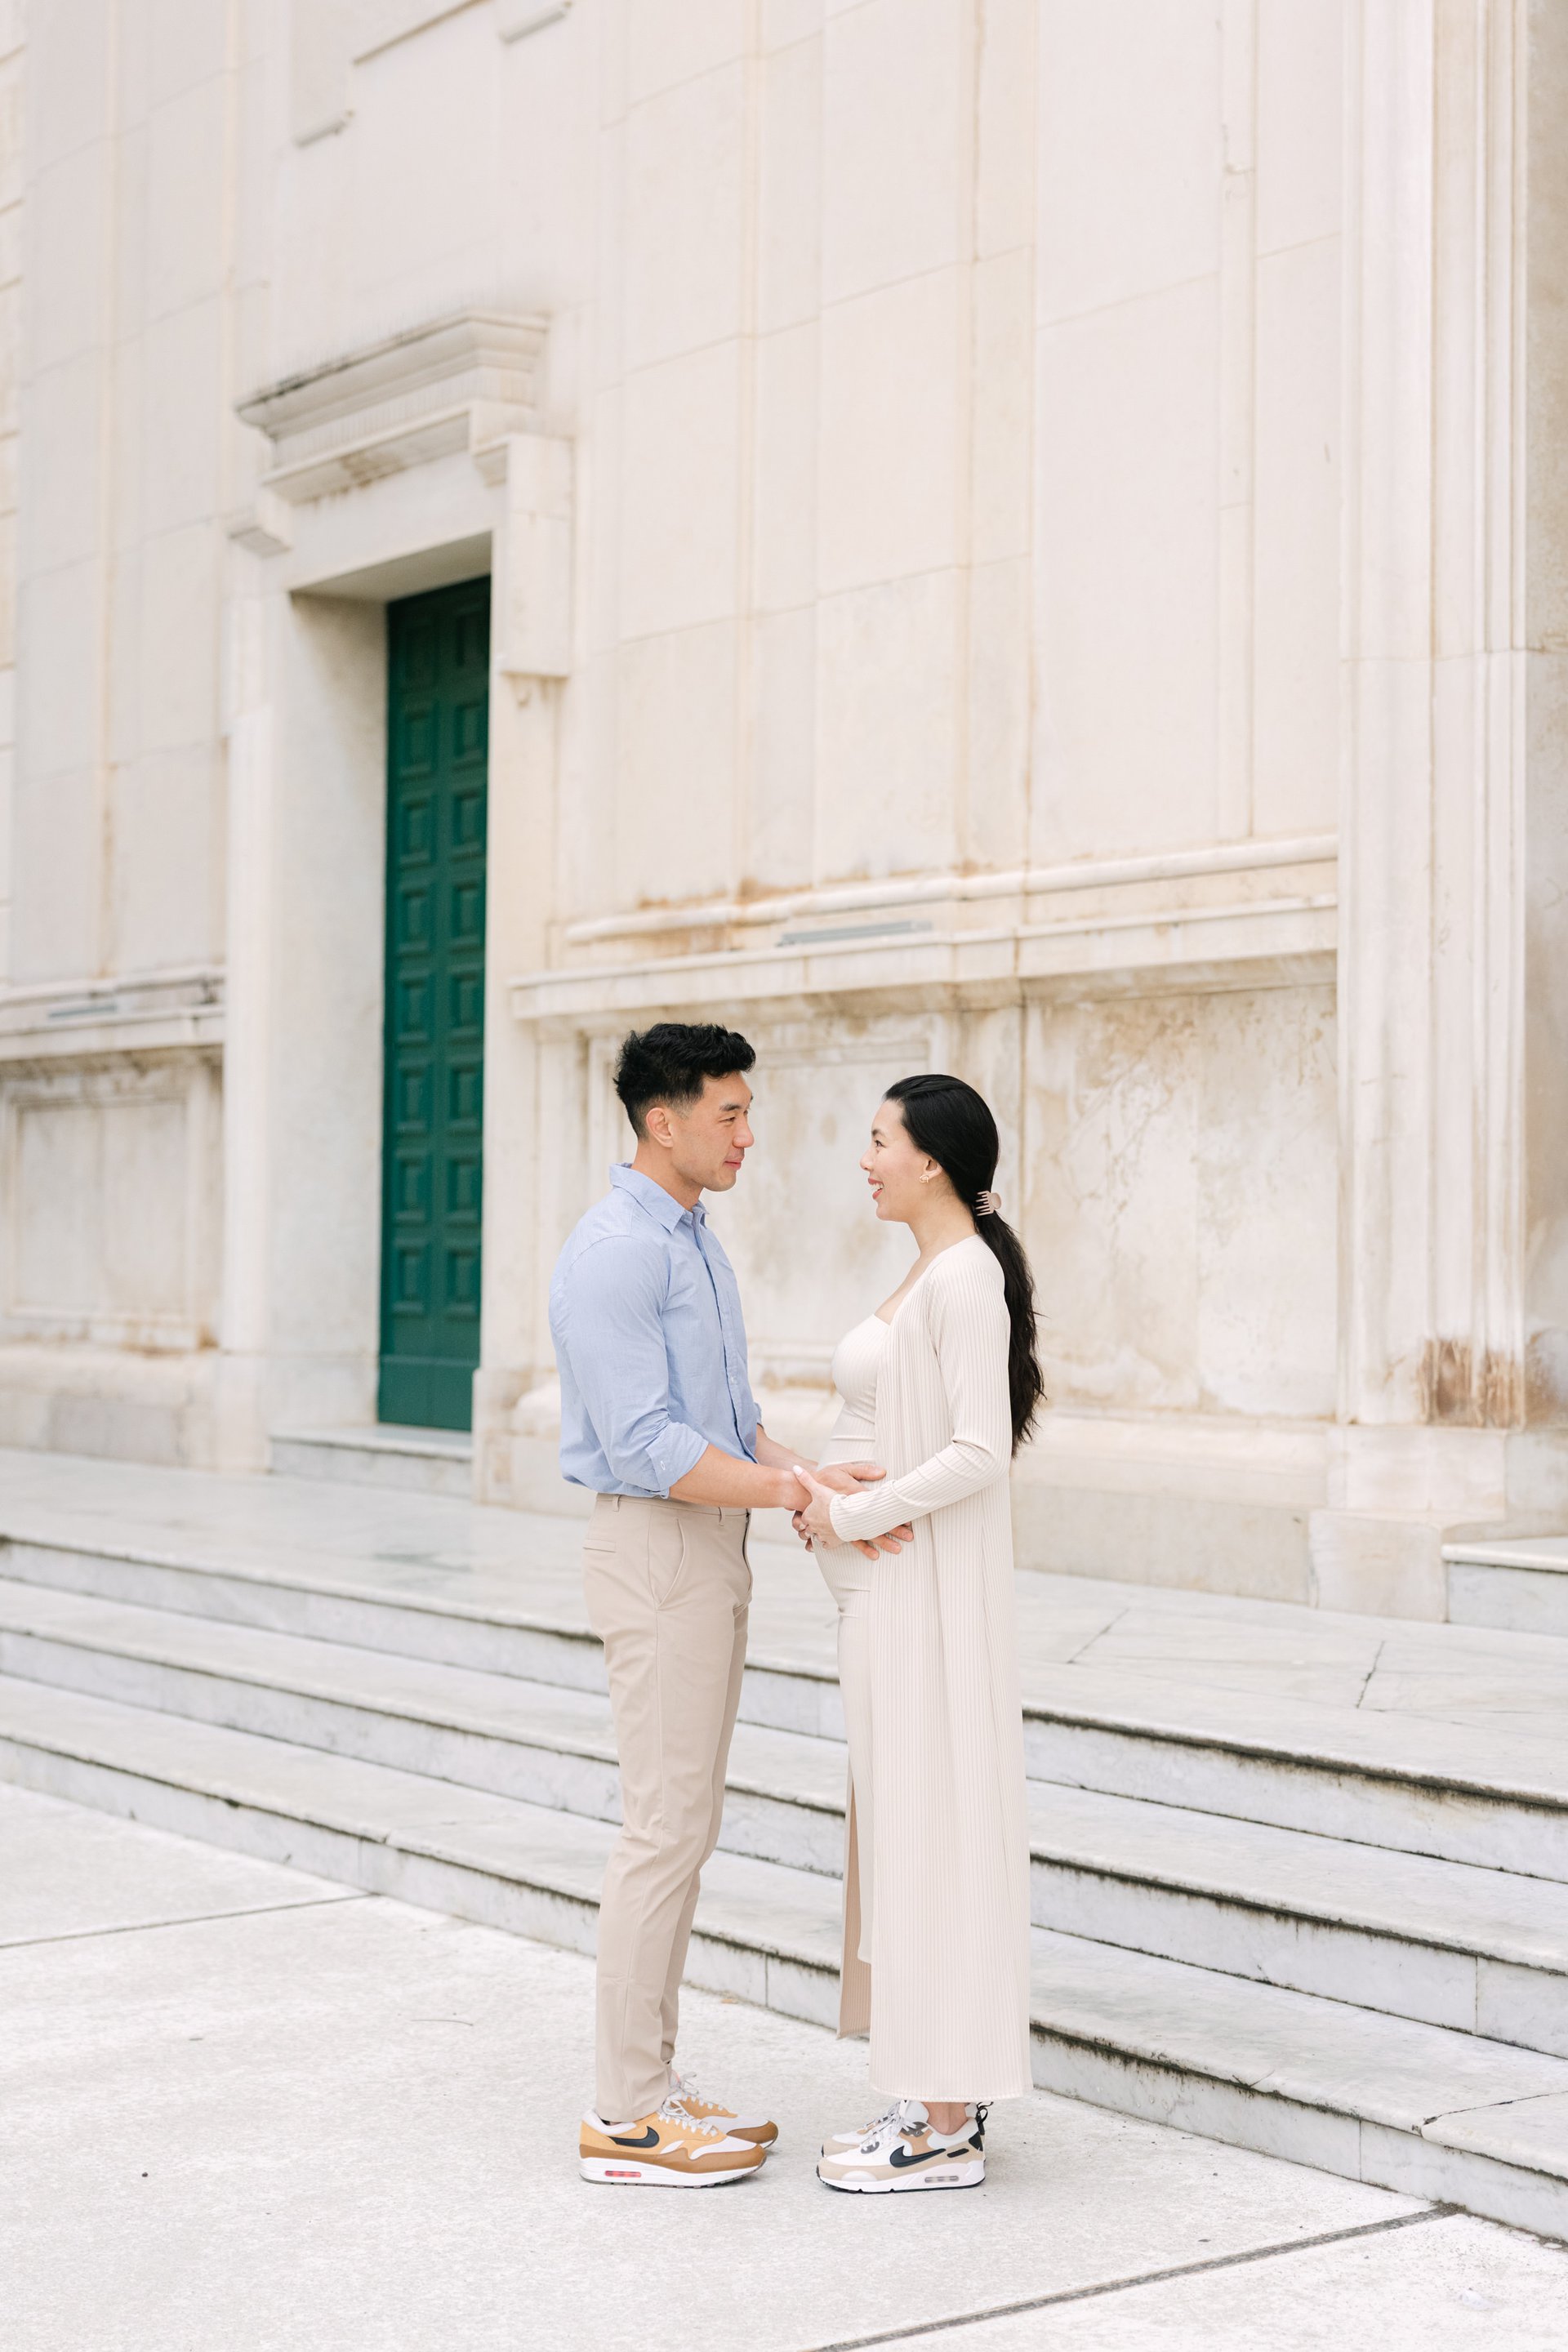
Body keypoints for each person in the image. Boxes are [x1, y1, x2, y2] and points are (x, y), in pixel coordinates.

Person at [551, 1022, 911, 2187]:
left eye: (747, 1113)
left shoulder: (692, 1239)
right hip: (657, 1549)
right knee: (663, 1831)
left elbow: (729, 1423)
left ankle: (652, 2086)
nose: (749, 1135)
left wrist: (814, 1477)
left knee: (685, 1827)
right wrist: (791, 1493)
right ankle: (627, 2116)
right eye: (730, 1114)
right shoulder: (618, 1252)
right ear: (664, 1122)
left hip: (708, 1548)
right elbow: (649, 1446)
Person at [793, 1071, 1043, 2192]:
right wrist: (819, 1496)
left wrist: (850, 1513)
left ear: (932, 1158)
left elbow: (980, 1451)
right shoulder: (932, 1268)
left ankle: (944, 2127)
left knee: (930, 1830)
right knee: (902, 1832)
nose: (865, 1159)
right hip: (878, 1592)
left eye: (880, 1140)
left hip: (916, 1594)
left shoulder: (966, 1277)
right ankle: (930, 2092)